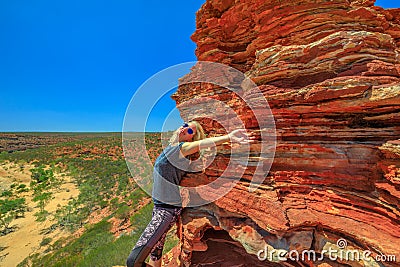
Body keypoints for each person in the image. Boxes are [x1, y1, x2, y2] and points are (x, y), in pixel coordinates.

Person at [126, 121, 254, 267]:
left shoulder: (181, 149)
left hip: (166, 211)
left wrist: (229, 137)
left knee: (133, 261)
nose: (185, 129)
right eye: (185, 125)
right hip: (159, 208)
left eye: (190, 131)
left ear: (192, 140)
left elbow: (203, 144)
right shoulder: (171, 148)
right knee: (156, 251)